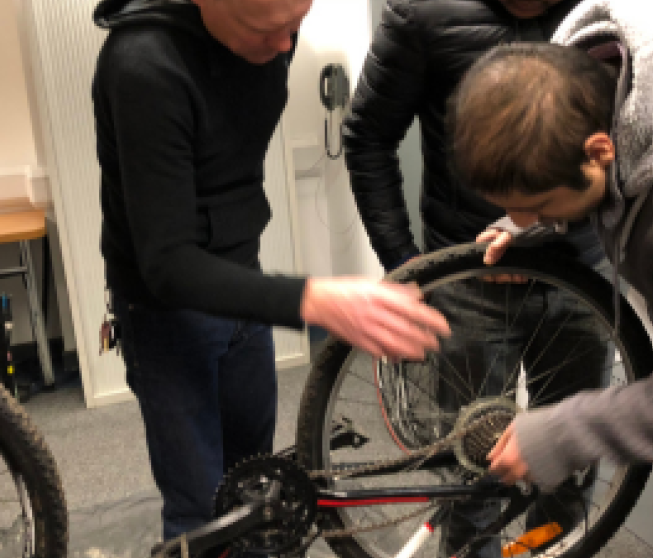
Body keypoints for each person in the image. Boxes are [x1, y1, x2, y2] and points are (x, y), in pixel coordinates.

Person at [91, 0, 451, 543]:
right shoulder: (143, 65)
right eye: (269, 30)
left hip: (241, 281)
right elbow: (167, 263)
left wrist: (273, 294)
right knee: (200, 509)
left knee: (255, 487)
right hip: (166, 309)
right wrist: (314, 300)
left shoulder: (271, 34)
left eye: (297, 25)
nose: (287, 47)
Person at [446, 1, 653, 556]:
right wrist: (531, 224)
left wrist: (559, 434)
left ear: (598, 150)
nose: (530, 218)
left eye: (537, 203)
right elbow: (609, 183)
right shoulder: (606, 88)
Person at [344, 1, 608, 554]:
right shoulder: (421, 13)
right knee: (473, 473)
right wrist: (406, 265)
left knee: (572, 461)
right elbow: (368, 136)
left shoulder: (608, 11)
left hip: (584, 273)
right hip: (471, 280)